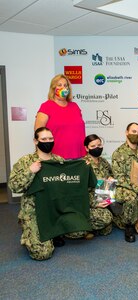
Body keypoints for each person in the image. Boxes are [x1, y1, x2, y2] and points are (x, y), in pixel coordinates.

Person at [8, 127, 85, 260]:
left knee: (80, 231)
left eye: (50, 139)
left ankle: (54, 232)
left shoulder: (59, 160)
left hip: (57, 209)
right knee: (42, 253)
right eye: (44, 139)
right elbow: (14, 187)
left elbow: (68, 185)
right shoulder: (26, 161)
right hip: (35, 211)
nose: (48, 141)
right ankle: (29, 230)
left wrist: (83, 167)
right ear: (35, 141)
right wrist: (30, 171)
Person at [34, 74, 86, 159]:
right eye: (59, 85)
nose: (63, 87)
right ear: (54, 88)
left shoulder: (75, 106)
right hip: (56, 157)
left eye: (65, 85)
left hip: (80, 156)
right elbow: (38, 132)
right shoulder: (46, 106)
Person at [83, 134, 113, 236]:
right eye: (93, 146)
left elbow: (111, 177)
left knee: (107, 230)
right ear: (86, 148)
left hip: (105, 197)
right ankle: (82, 229)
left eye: (99, 145)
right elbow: (79, 191)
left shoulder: (104, 162)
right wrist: (95, 204)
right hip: (90, 203)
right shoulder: (83, 164)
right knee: (106, 218)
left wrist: (111, 180)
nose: (97, 148)